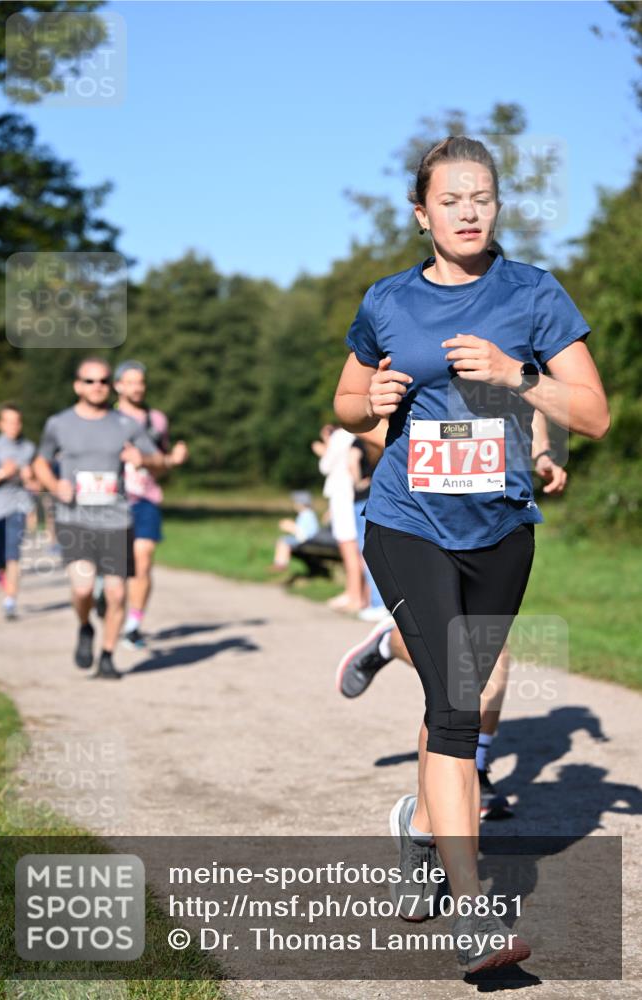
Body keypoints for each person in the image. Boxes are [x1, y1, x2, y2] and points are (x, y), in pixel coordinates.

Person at [333, 136, 609, 974]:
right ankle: (473, 916)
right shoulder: (387, 302)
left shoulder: (533, 295)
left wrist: (514, 377)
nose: (466, 210)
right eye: (449, 199)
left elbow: (594, 413)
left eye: (481, 197)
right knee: (457, 703)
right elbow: (347, 398)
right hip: (406, 520)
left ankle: (416, 829)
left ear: (496, 207)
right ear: (421, 213)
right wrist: (365, 402)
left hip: (498, 530)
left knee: (467, 695)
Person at [337, 412, 568, 821]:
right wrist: (434, 444)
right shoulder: (405, 350)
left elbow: (531, 398)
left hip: (491, 522)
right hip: (418, 520)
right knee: (458, 673)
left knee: (491, 656)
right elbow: (357, 413)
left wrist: (543, 453)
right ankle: (455, 792)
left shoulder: (511, 353)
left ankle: (474, 765)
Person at [33, 357, 165, 679]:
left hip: (116, 519)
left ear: (111, 385)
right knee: (83, 589)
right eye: (90, 381)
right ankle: (84, 626)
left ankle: (107, 657)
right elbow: (39, 462)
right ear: (78, 385)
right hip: (74, 516)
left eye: (104, 381)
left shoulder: (126, 424)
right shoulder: (59, 423)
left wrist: (143, 458)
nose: (97, 387)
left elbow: (160, 462)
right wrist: (54, 485)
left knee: (117, 592)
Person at [113, 360, 188, 648]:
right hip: (110, 500)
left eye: (141, 382)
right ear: (118, 385)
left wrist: (168, 460)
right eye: (130, 382)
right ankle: (106, 603)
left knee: (143, 561)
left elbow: (162, 466)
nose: (137, 387)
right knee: (115, 569)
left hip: (146, 497)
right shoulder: (106, 418)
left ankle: (133, 625)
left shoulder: (156, 421)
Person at [0, 404, 37, 619]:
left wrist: (31, 478)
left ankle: (10, 601)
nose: (14, 426)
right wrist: (3, 473)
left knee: (14, 554)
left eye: (17, 421)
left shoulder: (29, 448)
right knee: (0, 556)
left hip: (18, 506)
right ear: (0, 424)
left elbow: (37, 481)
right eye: (9, 422)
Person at [312, 423, 364, 612]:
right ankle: (356, 594)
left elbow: (325, 466)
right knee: (356, 548)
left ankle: (355, 597)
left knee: (348, 547)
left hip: (342, 496)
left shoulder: (338, 437)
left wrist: (324, 447)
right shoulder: (358, 435)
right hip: (352, 496)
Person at [349, 434, 387, 622]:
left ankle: (377, 603)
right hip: (382, 498)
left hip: (362, 499)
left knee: (367, 552)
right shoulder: (385, 437)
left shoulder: (358, 442)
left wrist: (357, 482)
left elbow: (352, 461)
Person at [270, 491, 320, 571]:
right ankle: (280, 562)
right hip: (306, 538)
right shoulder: (306, 514)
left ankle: (281, 563)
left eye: (296, 502)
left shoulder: (307, 515)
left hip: (307, 539)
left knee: (284, 541)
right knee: (283, 540)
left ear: (301, 504)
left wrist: (290, 527)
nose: (294, 505)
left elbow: (303, 533)